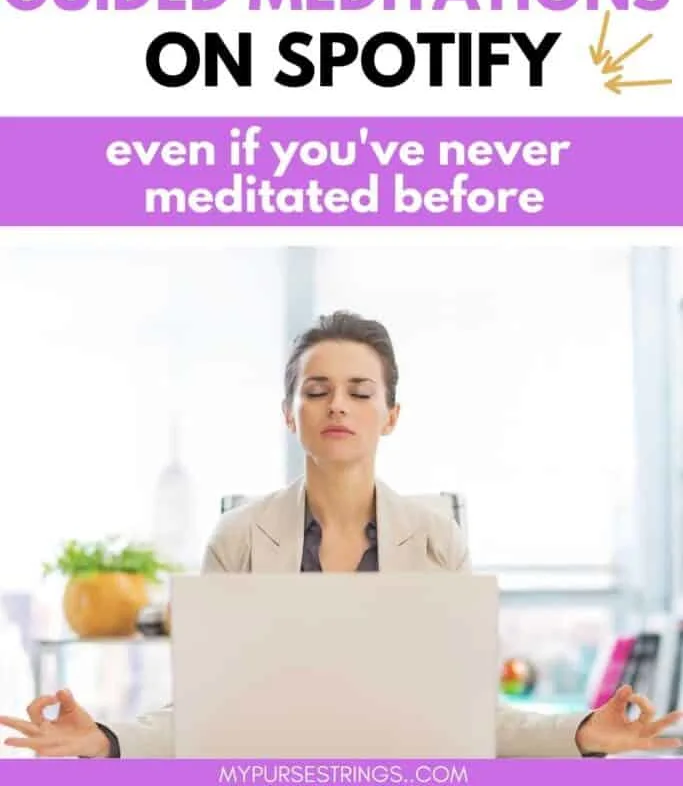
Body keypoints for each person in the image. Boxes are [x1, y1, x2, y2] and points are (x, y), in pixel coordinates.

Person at [1, 311, 681, 759]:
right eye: (316, 389)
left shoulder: (437, 539)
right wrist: (105, 739)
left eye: (360, 391)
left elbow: (471, 714)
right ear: (288, 413)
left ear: (389, 415)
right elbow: (201, 712)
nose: (337, 406)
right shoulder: (237, 536)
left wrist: (585, 732)